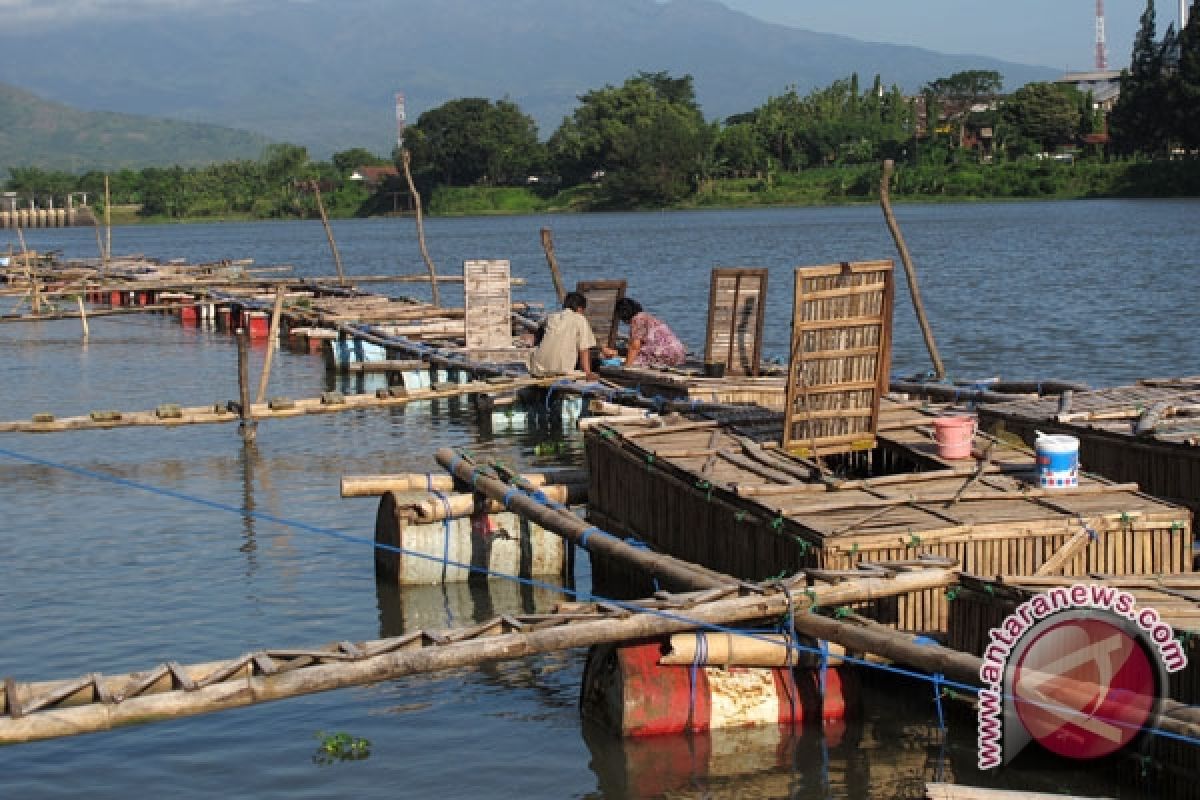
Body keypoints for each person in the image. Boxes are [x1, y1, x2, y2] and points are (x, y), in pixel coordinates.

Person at [528, 291, 597, 380]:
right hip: (560, 370)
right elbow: (584, 349)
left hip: (537, 367)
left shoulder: (551, 316)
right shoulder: (580, 319)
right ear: (580, 309)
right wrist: (588, 373)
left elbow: (539, 329)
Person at [603, 296, 686, 368]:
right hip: (678, 353)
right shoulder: (647, 316)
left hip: (666, 354)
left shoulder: (636, 320)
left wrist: (627, 367)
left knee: (629, 362)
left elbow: (635, 346)